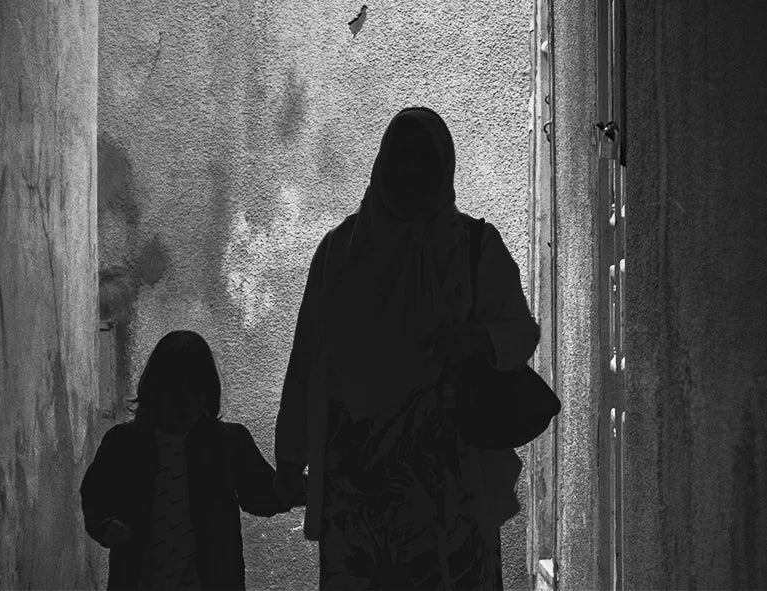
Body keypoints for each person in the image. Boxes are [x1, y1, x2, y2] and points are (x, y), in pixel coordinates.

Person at [273, 107, 542, 590]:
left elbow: (521, 333)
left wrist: (476, 339)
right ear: (383, 164)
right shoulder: (339, 252)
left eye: (426, 161)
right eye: (403, 159)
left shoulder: (474, 248)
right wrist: (290, 459)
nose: (413, 172)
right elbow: (308, 359)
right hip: (358, 487)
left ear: (444, 169)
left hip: (449, 477)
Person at [81, 330, 290, 590]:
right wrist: (105, 525)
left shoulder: (228, 442)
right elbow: (96, 494)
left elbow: (260, 494)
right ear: (158, 392)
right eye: (177, 393)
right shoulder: (124, 443)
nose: (186, 404)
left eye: (195, 391)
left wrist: (295, 488)